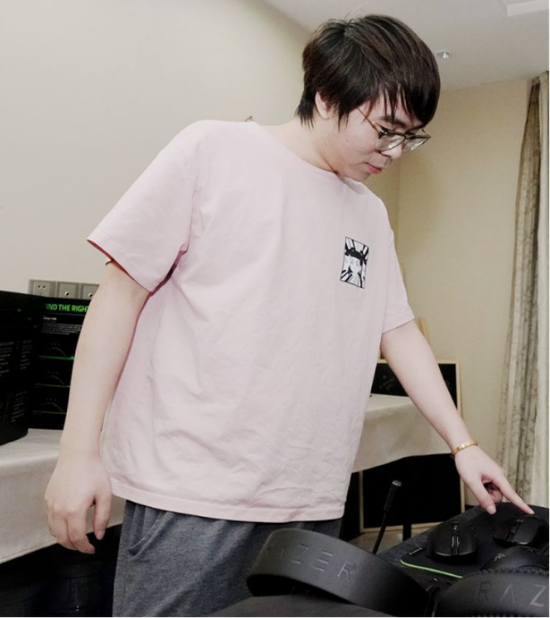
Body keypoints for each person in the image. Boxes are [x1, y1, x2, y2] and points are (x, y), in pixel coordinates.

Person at [45, 14, 533, 618]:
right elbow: (119, 295)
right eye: (385, 130)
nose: (395, 152)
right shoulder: (213, 151)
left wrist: (463, 444)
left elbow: (398, 330)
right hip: (195, 493)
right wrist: (78, 453)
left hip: (310, 498)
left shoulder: (369, 214)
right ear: (326, 96)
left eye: (410, 138)